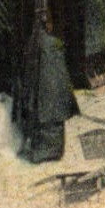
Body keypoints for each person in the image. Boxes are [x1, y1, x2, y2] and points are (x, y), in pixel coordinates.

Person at [13, 11, 78, 163]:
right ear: (48, 25)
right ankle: (52, 153)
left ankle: (39, 153)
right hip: (52, 98)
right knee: (53, 122)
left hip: (35, 100)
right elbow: (61, 74)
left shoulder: (30, 44)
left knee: (39, 125)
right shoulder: (54, 44)